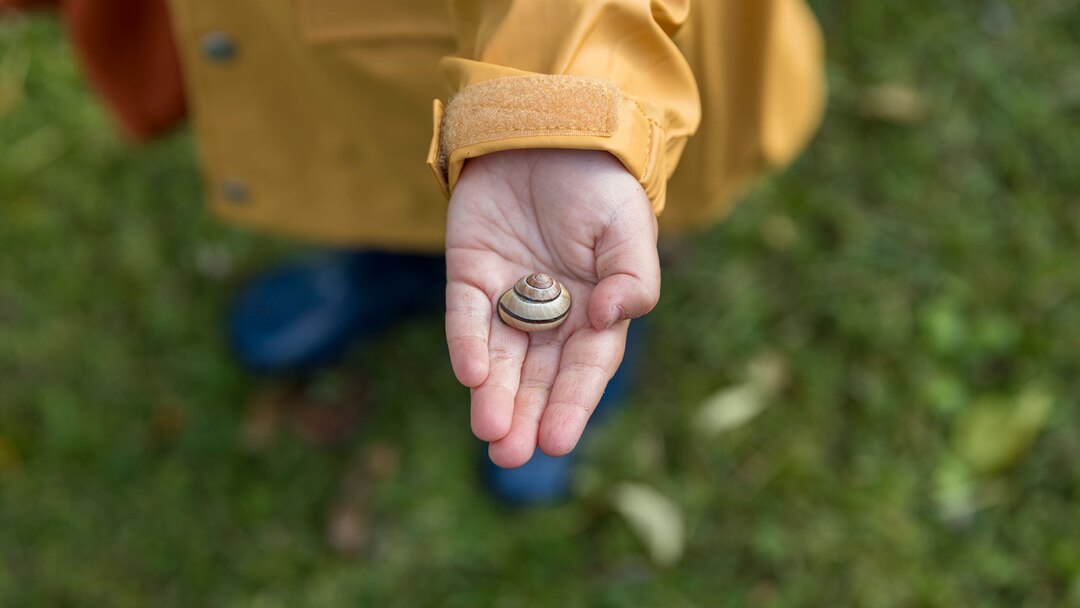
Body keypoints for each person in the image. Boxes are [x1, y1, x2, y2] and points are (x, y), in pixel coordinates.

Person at [1, 0, 825, 503]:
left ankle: (602, 317)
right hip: (299, 29)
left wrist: (562, 101)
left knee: (587, 205)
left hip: (566, 30)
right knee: (374, 153)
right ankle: (394, 261)